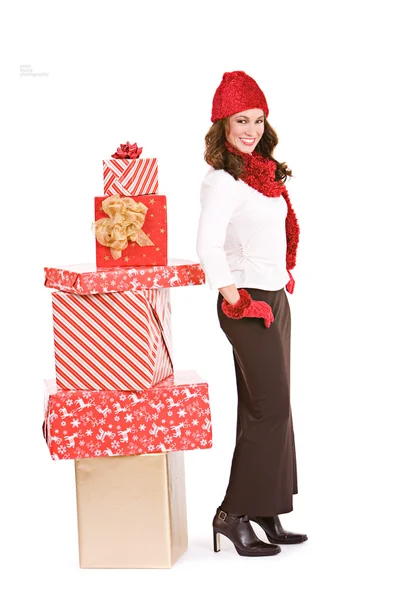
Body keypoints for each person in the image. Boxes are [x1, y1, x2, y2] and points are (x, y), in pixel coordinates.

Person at [196, 70, 308, 558]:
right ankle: (233, 513)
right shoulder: (222, 181)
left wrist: (279, 279)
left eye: (258, 120)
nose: (251, 129)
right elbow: (207, 246)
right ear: (222, 124)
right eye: (242, 120)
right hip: (246, 305)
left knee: (272, 407)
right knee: (270, 409)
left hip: (274, 298)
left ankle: (265, 506)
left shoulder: (261, 175)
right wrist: (235, 297)